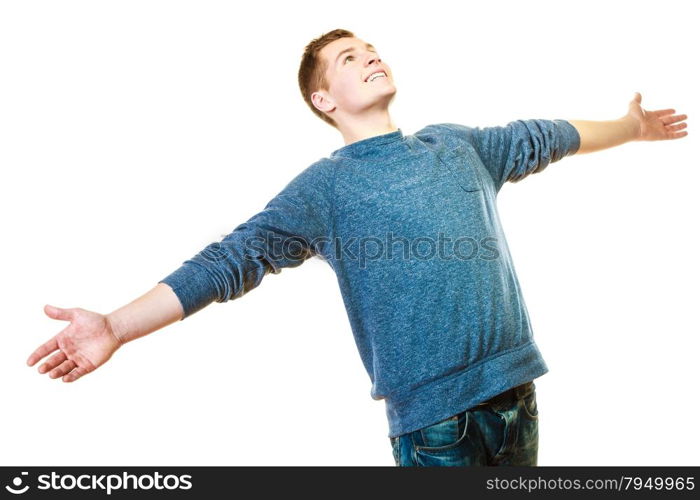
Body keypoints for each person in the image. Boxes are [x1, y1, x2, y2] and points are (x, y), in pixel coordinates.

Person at [27, 28, 688, 467]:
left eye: (370, 48)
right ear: (323, 98)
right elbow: (230, 262)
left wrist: (630, 127)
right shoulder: (325, 190)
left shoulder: (457, 145)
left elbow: (547, 135)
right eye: (349, 58)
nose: (371, 56)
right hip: (437, 428)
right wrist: (114, 324)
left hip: (517, 397)